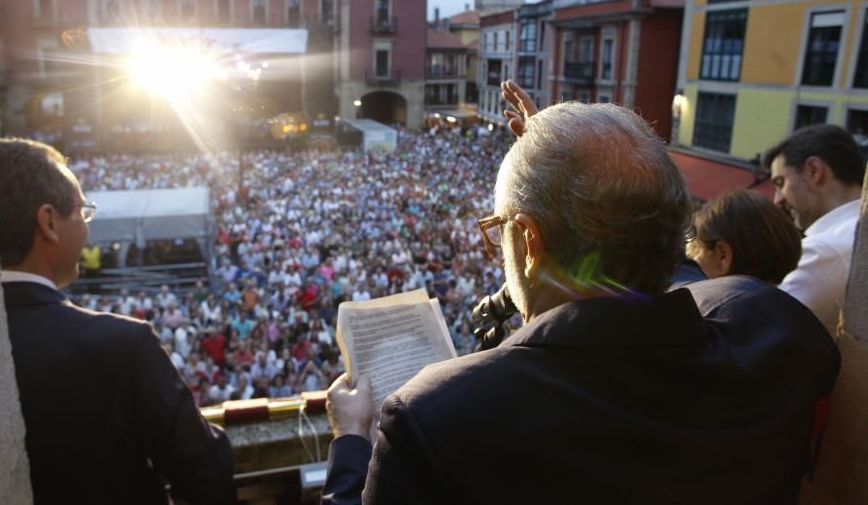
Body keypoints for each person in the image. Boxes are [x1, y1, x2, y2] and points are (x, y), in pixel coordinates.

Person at [322, 96, 839, 504]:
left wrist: (350, 443)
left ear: (527, 242)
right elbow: (673, 272)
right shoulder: (772, 331)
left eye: (497, 231)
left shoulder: (436, 417)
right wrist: (569, 167)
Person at [0, 138, 233, 504]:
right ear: (49, 222)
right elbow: (204, 472)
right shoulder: (121, 344)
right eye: (83, 212)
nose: (87, 228)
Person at [763, 124, 865, 332]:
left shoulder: (824, 250)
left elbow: (759, 331)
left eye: (781, 182)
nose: (778, 199)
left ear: (814, 170)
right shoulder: (850, 236)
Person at [685, 188, 802, 285]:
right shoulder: (790, 308)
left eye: (693, 255)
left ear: (723, 256)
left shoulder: (711, 310)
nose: (689, 268)